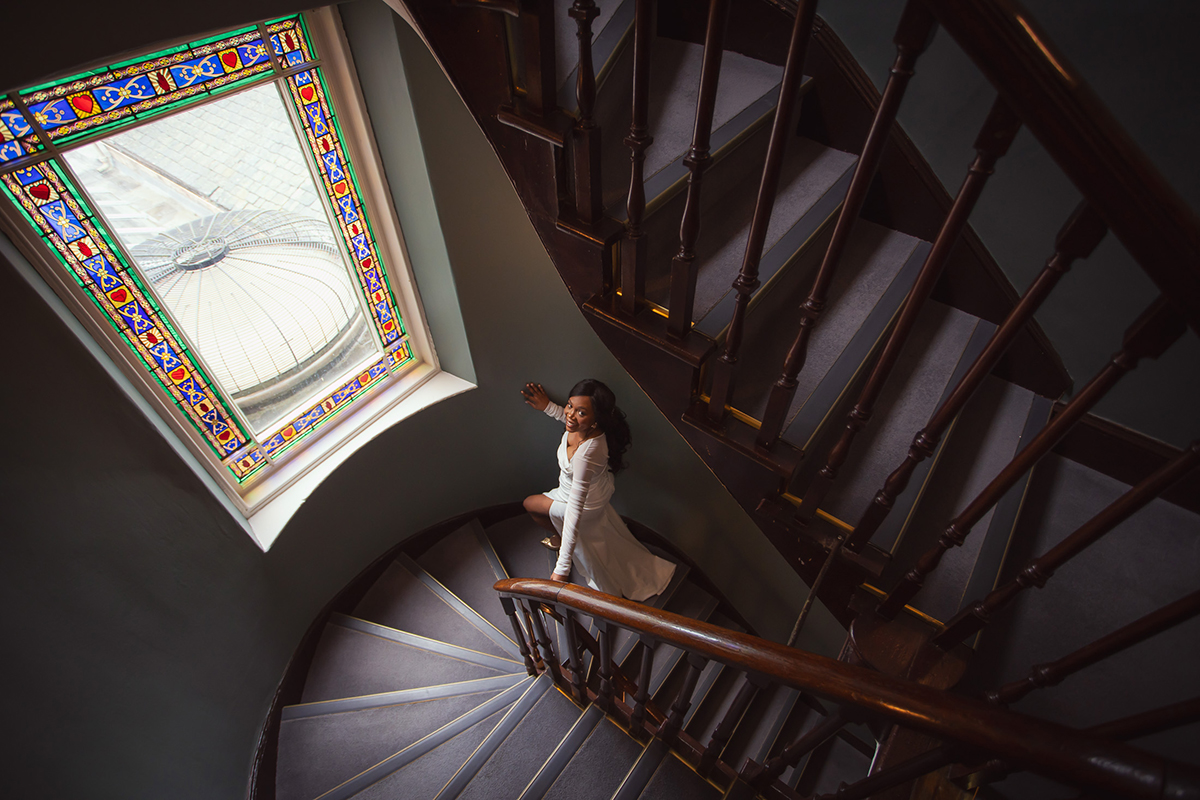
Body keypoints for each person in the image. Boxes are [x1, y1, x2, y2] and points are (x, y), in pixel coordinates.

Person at [521, 379, 676, 602]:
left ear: (596, 419)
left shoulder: (588, 453)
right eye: (569, 405)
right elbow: (568, 421)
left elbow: (575, 507)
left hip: (581, 503)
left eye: (581, 412)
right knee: (552, 516)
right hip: (587, 490)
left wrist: (562, 567)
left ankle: (564, 540)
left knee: (530, 505)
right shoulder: (582, 425)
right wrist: (549, 407)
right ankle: (563, 536)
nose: (571, 415)